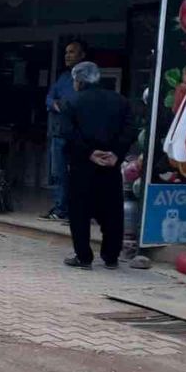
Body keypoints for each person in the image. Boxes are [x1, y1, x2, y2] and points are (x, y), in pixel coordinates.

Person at [60, 61, 138, 270]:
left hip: (82, 166)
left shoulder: (71, 102)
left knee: (80, 213)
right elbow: (131, 129)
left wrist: (89, 153)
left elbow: (67, 133)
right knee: (112, 212)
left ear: (78, 81)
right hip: (111, 166)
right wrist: (116, 153)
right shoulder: (121, 101)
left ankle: (83, 257)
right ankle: (111, 257)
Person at [42, 39, 87, 221]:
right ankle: (61, 208)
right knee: (59, 173)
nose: (67, 55)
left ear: (82, 55)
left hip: (79, 134)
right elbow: (49, 97)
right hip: (60, 133)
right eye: (66, 52)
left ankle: (77, 210)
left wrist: (64, 105)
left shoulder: (87, 77)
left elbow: (80, 102)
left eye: (72, 52)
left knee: (79, 172)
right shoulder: (63, 77)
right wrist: (54, 104)